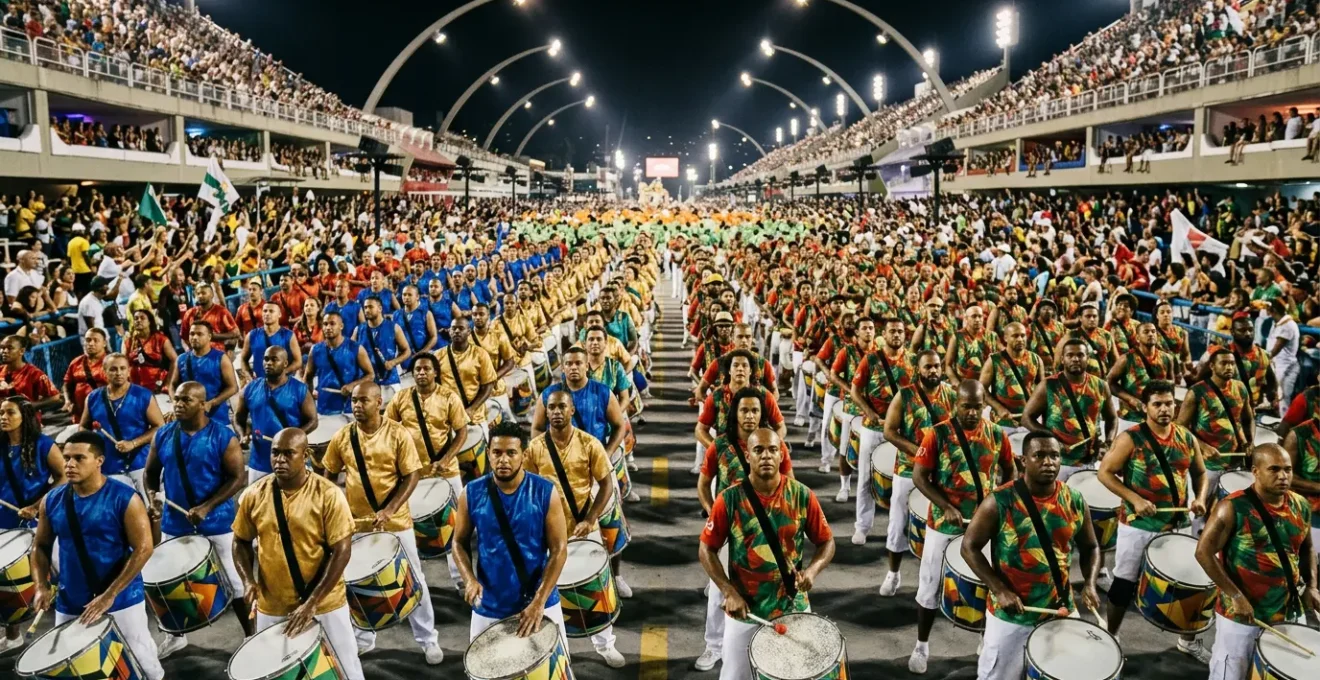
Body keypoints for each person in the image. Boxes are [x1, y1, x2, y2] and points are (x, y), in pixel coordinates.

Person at [963, 432, 1103, 680]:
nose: (1048, 462)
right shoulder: (1000, 501)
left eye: (1054, 456)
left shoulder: (1074, 499)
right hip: (1013, 614)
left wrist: (1090, 583)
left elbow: (1091, 546)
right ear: (1023, 461)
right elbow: (969, 547)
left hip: (1059, 607)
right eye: (1039, 455)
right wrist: (999, 590)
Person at [698, 427, 835, 680]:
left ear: (782, 454)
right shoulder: (729, 499)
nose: (766, 456)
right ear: (747, 456)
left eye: (773, 450)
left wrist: (812, 571)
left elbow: (827, 542)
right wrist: (729, 591)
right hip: (746, 612)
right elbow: (706, 548)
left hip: (792, 607)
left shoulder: (802, 495)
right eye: (758, 450)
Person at [321, 382, 442, 663]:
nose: (357, 406)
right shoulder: (343, 436)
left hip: (397, 521)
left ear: (379, 403)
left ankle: (428, 640)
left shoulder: (398, 434)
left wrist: (390, 509)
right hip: (357, 523)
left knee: (412, 579)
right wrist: (335, 509)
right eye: (353, 400)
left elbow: (411, 476)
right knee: (356, 582)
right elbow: (329, 475)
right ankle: (365, 637)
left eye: (363, 400)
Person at [29, 430, 165, 680]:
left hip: (122, 599)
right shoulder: (52, 500)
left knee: (142, 661)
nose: (69, 464)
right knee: (77, 664)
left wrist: (109, 595)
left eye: (79, 458)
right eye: (66, 457)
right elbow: (40, 546)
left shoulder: (124, 498)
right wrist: (41, 585)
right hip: (71, 599)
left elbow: (144, 548)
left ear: (99, 461)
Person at [232, 427, 365, 680]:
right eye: (275, 453)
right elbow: (240, 540)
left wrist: (312, 603)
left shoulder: (328, 495)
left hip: (325, 603)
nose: (279, 460)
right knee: (278, 672)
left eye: (288, 454)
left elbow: (341, 552)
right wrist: (248, 580)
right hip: (272, 603)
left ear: (304, 455)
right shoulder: (254, 495)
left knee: (346, 667)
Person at [1097, 380, 1213, 662]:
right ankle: (1112, 634)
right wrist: (1134, 499)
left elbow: (1200, 473)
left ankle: (1188, 640)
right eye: (1157, 404)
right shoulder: (1131, 438)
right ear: (1145, 407)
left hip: (1177, 522)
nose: (1164, 409)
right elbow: (1105, 473)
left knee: (1188, 582)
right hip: (1137, 525)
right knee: (1124, 582)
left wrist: (1199, 498)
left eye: (1169, 403)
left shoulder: (1186, 438)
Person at [908, 380, 1016, 673]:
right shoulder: (938, 434)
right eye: (966, 406)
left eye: (977, 407)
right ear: (955, 404)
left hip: (984, 524)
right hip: (944, 523)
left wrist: (1000, 502)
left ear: (984, 405)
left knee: (990, 583)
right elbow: (919, 477)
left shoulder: (996, 434)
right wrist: (946, 506)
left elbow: (1010, 471)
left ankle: (985, 638)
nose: (971, 412)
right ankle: (922, 645)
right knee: (929, 585)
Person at [144, 381, 252, 657]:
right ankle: (175, 635)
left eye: (186, 400)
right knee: (167, 582)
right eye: (176, 400)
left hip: (218, 521)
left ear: (203, 404)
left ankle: (251, 635)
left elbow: (238, 477)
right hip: (175, 522)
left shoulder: (222, 436)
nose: (178, 405)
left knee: (235, 581)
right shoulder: (163, 435)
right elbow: (151, 473)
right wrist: (152, 496)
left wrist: (207, 506)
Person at [1195, 444, 1320, 680]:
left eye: (1288, 470)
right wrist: (1235, 595)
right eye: (1274, 469)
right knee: (1231, 674)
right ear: (1255, 471)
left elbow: (1306, 549)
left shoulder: (1300, 505)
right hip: (1243, 613)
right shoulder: (1232, 507)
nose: (1283, 476)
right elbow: (1203, 552)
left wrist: (1312, 586)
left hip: (1288, 608)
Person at [523, 390, 627, 667]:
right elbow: (528, 489)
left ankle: (605, 645)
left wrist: (591, 519)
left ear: (571, 411)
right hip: (546, 534)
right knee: (546, 595)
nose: (556, 411)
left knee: (594, 590)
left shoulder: (589, 444)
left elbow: (606, 485)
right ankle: (556, 650)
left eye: (562, 407)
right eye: (552, 407)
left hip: (583, 528)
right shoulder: (534, 448)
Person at [694, 387, 794, 672]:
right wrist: (713, 513)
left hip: (767, 532)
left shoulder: (775, 446)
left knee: (769, 592)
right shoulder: (720, 446)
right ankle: (713, 647)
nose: (749, 415)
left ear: (762, 414)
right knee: (720, 594)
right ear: (734, 413)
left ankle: (760, 652)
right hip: (730, 531)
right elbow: (703, 484)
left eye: (754, 410)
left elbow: (790, 486)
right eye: (744, 410)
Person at [452, 420, 571, 642]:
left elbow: (559, 549)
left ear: (523, 456)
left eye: (511, 453)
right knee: (484, 676)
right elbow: (458, 542)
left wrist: (539, 601)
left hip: (539, 602)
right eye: (497, 452)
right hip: (489, 605)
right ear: (488, 454)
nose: (503, 459)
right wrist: (469, 579)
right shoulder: (471, 493)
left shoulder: (545, 492)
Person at [384, 350, 470, 583]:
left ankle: (460, 575)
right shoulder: (401, 398)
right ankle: (418, 574)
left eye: (426, 369)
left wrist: (446, 458)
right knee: (417, 522)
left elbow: (462, 432)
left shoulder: (449, 397)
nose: (421, 373)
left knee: (456, 522)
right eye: (417, 370)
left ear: (435, 372)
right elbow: (388, 429)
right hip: (414, 472)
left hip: (447, 469)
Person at [879, 349, 956, 597]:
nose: (932, 371)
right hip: (907, 469)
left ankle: (936, 582)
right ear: (918, 369)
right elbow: (889, 431)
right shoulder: (905, 396)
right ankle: (893, 573)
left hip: (942, 472)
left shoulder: (952, 396)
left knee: (939, 527)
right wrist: (920, 452)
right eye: (927, 367)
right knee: (898, 522)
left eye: (936, 366)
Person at [0, 396, 63, 652]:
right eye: (1, 413)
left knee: (60, 572)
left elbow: (63, 477)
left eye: (9, 413)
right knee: (6, 582)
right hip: (4, 521)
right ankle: (12, 634)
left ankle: (69, 628)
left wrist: (37, 506)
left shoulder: (43, 444)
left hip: (40, 521)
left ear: (24, 416)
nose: (3, 417)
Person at [849, 317, 913, 545]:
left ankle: (899, 531)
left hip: (902, 432)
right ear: (883, 335)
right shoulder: (871, 360)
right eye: (892, 331)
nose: (896, 335)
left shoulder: (913, 361)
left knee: (901, 482)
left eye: (900, 331)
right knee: (866, 478)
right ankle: (862, 526)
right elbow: (855, 390)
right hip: (873, 428)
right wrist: (868, 411)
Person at [1179, 349, 1255, 534]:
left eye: (1232, 363)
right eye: (1224, 363)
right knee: (1200, 501)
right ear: (1212, 366)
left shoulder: (1240, 388)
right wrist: (1203, 446)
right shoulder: (1197, 392)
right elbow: (1180, 427)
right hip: (1207, 462)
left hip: (1234, 458)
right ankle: (1194, 536)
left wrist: (1250, 441)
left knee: (1224, 501)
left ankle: (1212, 533)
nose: (1229, 367)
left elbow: (1248, 419)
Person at [1022, 338, 1116, 482]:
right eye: (1070, 355)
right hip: (1057, 462)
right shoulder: (1048, 385)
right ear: (1062, 359)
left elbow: (1112, 418)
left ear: (1087, 358)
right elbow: (1026, 418)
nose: (1075, 359)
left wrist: (1108, 443)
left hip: (1089, 460)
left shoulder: (1100, 386)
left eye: (1080, 355)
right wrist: (1051, 439)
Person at [81, 352, 165, 499]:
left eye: (122, 368)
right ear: (104, 371)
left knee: (152, 510)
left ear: (128, 371)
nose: (118, 373)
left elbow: (159, 426)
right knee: (119, 514)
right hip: (109, 466)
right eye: (113, 369)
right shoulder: (93, 398)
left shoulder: (143, 395)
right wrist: (94, 448)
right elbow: (83, 428)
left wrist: (133, 443)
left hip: (141, 464)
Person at [235, 346, 317, 484]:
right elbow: (238, 417)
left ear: (285, 363)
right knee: (259, 503)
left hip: (292, 459)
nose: (269, 363)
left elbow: (313, 421)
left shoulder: (299, 389)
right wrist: (242, 434)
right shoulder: (250, 388)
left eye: (274, 359)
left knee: (295, 503)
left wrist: (292, 439)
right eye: (266, 359)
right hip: (259, 461)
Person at [817, 314, 872, 498]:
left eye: (871, 328)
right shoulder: (846, 351)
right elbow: (833, 374)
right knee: (845, 447)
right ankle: (844, 486)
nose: (868, 331)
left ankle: (869, 488)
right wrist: (850, 389)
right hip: (852, 407)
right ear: (856, 332)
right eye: (864, 328)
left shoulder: (878, 353)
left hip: (873, 408)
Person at [1107, 321, 1179, 432]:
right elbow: (1110, 382)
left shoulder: (1167, 358)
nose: (1150, 334)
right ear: (1137, 338)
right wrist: (1131, 399)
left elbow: (1170, 384)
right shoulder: (1126, 359)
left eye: (1153, 331)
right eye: (1146, 332)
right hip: (1131, 416)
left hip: (1157, 416)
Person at [980, 321, 1045, 442]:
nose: (1020, 339)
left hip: (1029, 421)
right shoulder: (994, 360)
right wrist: (998, 408)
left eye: (1023, 335)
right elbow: (981, 388)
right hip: (1003, 423)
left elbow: (1044, 390)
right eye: (1015, 336)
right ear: (1005, 338)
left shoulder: (1036, 359)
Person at [304, 310, 374, 416]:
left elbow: (371, 375)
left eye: (332, 324)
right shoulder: (316, 350)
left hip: (350, 409)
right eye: (325, 324)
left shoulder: (355, 348)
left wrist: (353, 385)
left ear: (341, 326)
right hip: (324, 409)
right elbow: (308, 377)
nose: (328, 327)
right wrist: (310, 404)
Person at [172, 320, 238, 427]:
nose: (194, 337)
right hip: (189, 416)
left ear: (209, 336)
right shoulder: (181, 359)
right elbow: (173, 385)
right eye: (192, 334)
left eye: (200, 334)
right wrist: (175, 402)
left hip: (217, 417)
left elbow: (233, 387)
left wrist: (212, 403)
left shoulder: (220, 358)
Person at [355, 295, 410, 401]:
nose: (367, 310)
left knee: (393, 414)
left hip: (389, 379)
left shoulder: (393, 327)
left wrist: (393, 362)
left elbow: (406, 351)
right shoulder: (359, 330)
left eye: (370, 307)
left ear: (380, 308)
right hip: (367, 381)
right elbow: (351, 355)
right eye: (365, 307)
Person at [240, 302, 302, 382]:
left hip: (283, 383)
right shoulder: (252, 335)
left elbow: (298, 361)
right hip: (260, 383)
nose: (267, 314)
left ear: (279, 314)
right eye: (265, 311)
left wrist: (283, 372)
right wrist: (249, 377)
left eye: (271, 311)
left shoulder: (288, 335)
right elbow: (243, 359)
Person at [0, 335, 61, 411]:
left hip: (27, 420)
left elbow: (55, 397)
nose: (4, 351)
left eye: (10, 348)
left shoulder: (34, 373)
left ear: (21, 351)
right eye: (2, 348)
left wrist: (32, 405)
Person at [63, 328, 109, 423]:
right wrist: (68, 400)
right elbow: (67, 384)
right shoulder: (75, 362)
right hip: (80, 415)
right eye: (88, 340)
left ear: (104, 343)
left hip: (106, 414)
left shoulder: (112, 362)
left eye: (96, 340)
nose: (91, 343)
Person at [124, 309, 177, 392]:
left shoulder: (161, 339)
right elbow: (123, 362)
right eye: (136, 318)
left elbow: (175, 360)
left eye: (142, 318)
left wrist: (168, 383)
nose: (138, 321)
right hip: (134, 386)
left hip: (157, 386)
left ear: (149, 322)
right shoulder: (128, 341)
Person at [179, 283, 239, 352]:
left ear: (212, 295)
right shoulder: (189, 313)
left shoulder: (222, 312)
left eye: (203, 293)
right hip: (196, 355)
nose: (200, 296)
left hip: (217, 353)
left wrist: (214, 337)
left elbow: (236, 333)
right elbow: (184, 335)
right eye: (198, 294)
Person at [1266, 299, 1300, 413]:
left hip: (1286, 367)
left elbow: (1276, 348)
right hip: (1276, 364)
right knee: (1275, 396)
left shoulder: (1288, 325)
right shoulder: (1277, 322)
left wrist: (1263, 357)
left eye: (1268, 309)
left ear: (1274, 310)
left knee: (1283, 398)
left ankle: (1284, 425)